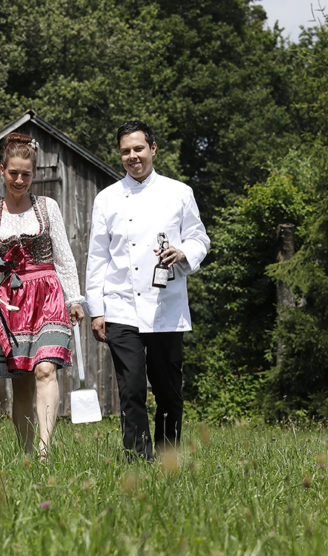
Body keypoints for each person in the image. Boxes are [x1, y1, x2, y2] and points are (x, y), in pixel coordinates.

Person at [85, 120, 210, 461]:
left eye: (138, 149)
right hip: (121, 305)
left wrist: (184, 253)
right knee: (132, 390)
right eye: (126, 151)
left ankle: (168, 458)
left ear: (153, 149)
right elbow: (97, 257)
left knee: (169, 392)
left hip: (166, 306)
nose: (132, 156)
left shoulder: (179, 192)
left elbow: (200, 238)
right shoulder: (107, 199)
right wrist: (97, 308)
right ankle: (138, 460)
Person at [0, 132, 85, 458]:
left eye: (26, 174)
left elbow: (63, 254)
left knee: (45, 369)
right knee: (21, 380)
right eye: (13, 173)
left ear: (34, 174)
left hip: (48, 293)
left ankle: (44, 451)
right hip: (12, 300)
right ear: (2, 171)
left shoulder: (47, 207)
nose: (20, 180)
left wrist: (74, 298)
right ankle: (25, 453)